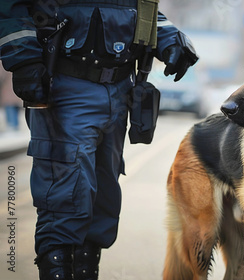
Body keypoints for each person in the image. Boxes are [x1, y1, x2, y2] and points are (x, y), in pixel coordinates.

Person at [0, 1, 198, 279]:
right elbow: (11, 7)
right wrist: (24, 60)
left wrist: (170, 39)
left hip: (119, 89)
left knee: (101, 200)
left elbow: (142, 8)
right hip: (66, 85)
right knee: (65, 196)